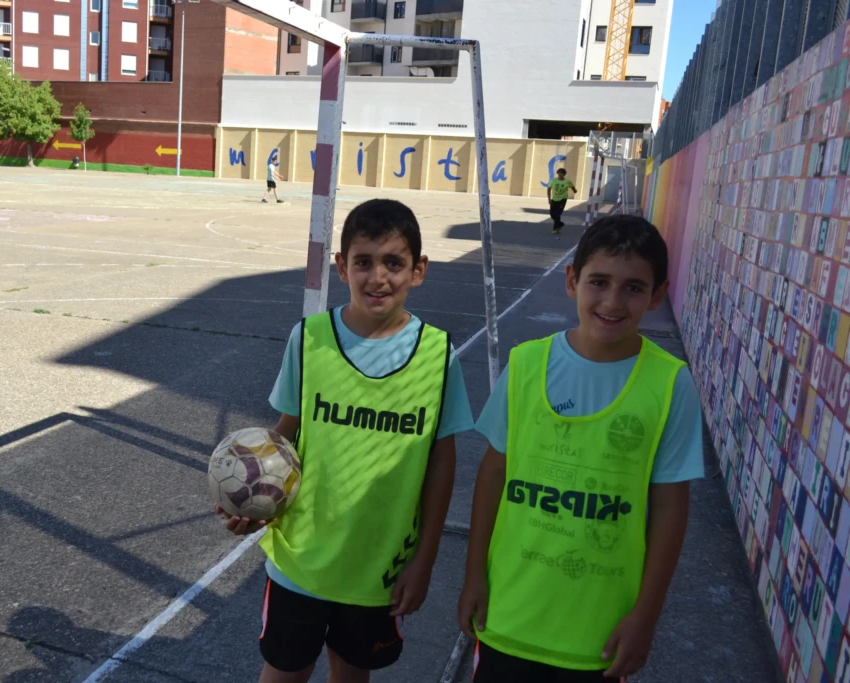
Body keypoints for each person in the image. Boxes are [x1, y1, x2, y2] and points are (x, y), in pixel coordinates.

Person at [219, 198, 475, 683]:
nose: (378, 277)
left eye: (394, 263)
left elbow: (442, 461)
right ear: (342, 267)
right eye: (364, 262)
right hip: (301, 556)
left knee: (352, 672)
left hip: (380, 566)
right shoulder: (311, 339)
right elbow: (285, 430)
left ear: (418, 270)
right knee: (283, 671)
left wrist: (426, 559)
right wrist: (250, 496)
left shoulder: (438, 357)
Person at [458, 214, 704, 682]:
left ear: (656, 295)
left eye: (633, 288)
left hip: (598, 632)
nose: (612, 301)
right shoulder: (526, 363)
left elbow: (671, 509)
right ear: (573, 281)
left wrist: (646, 615)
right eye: (599, 282)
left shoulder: (671, 385)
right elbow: (492, 475)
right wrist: (474, 575)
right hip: (508, 614)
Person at [547, 167, 577, 237]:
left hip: (563, 199)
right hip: (554, 199)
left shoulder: (567, 181)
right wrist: (549, 199)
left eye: (562, 173)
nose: (560, 175)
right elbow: (548, 189)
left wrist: (574, 190)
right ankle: (560, 224)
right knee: (552, 214)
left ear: (564, 174)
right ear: (557, 173)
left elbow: (572, 186)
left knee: (557, 214)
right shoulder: (554, 181)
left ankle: (555, 229)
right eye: (559, 173)